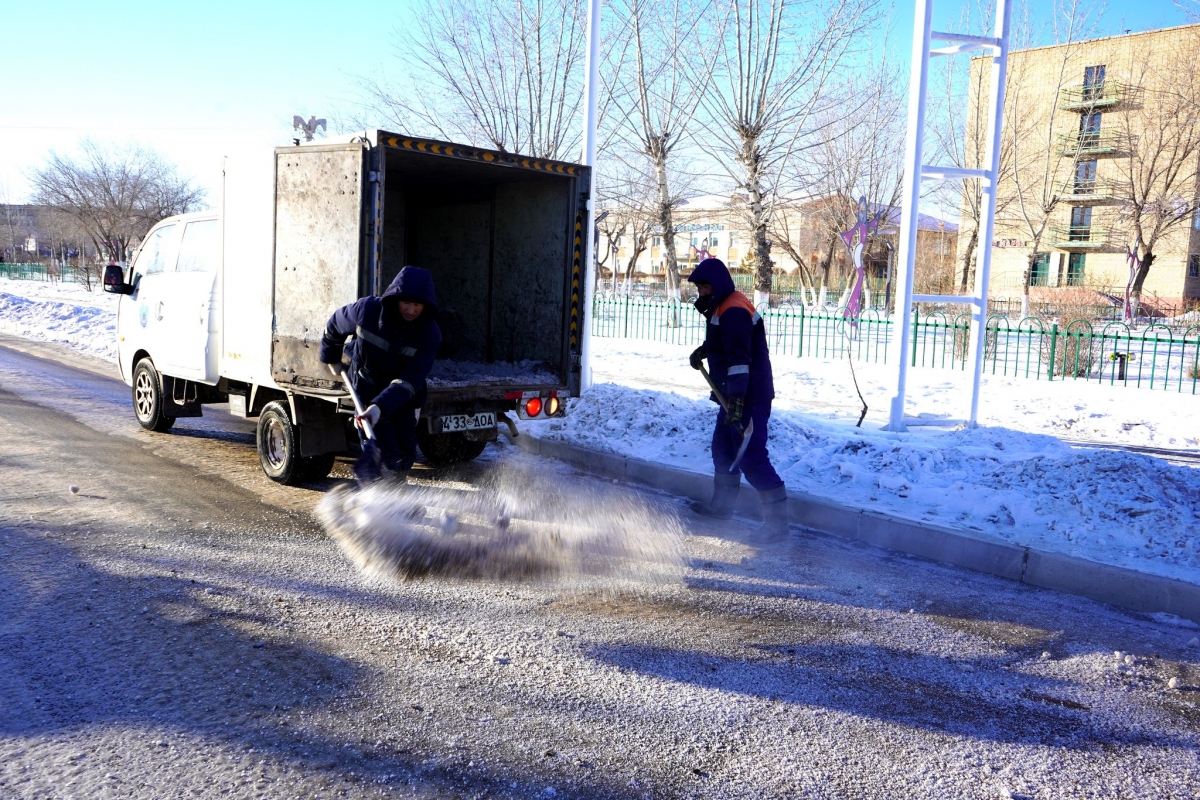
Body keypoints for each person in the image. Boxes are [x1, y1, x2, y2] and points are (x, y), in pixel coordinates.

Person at [687, 258, 789, 541]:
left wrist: (737, 399)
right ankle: (721, 508)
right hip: (731, 396)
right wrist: (705, 350)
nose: (702, 292)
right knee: (723, 450)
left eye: (705, 286)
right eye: (699, 287)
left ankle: (777, 525)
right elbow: (726, 342)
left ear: (717, 284)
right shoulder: (724, 305)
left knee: (750, 457)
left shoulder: (732, 309)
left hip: (748, 397)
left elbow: (740, 360)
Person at [319, 266, 442, 482]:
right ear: (395, 299)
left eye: (417, 305)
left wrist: (380, 407)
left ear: (426, 305)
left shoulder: (429, 334)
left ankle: (394, 496)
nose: (411, 311)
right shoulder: (367, 311)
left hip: (401, 395)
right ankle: (376, 499)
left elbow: (411, 379)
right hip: (367, 384)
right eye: (406, 303)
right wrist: (331, 356)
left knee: (405, 452)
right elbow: (334, 325)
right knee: (382, 448)